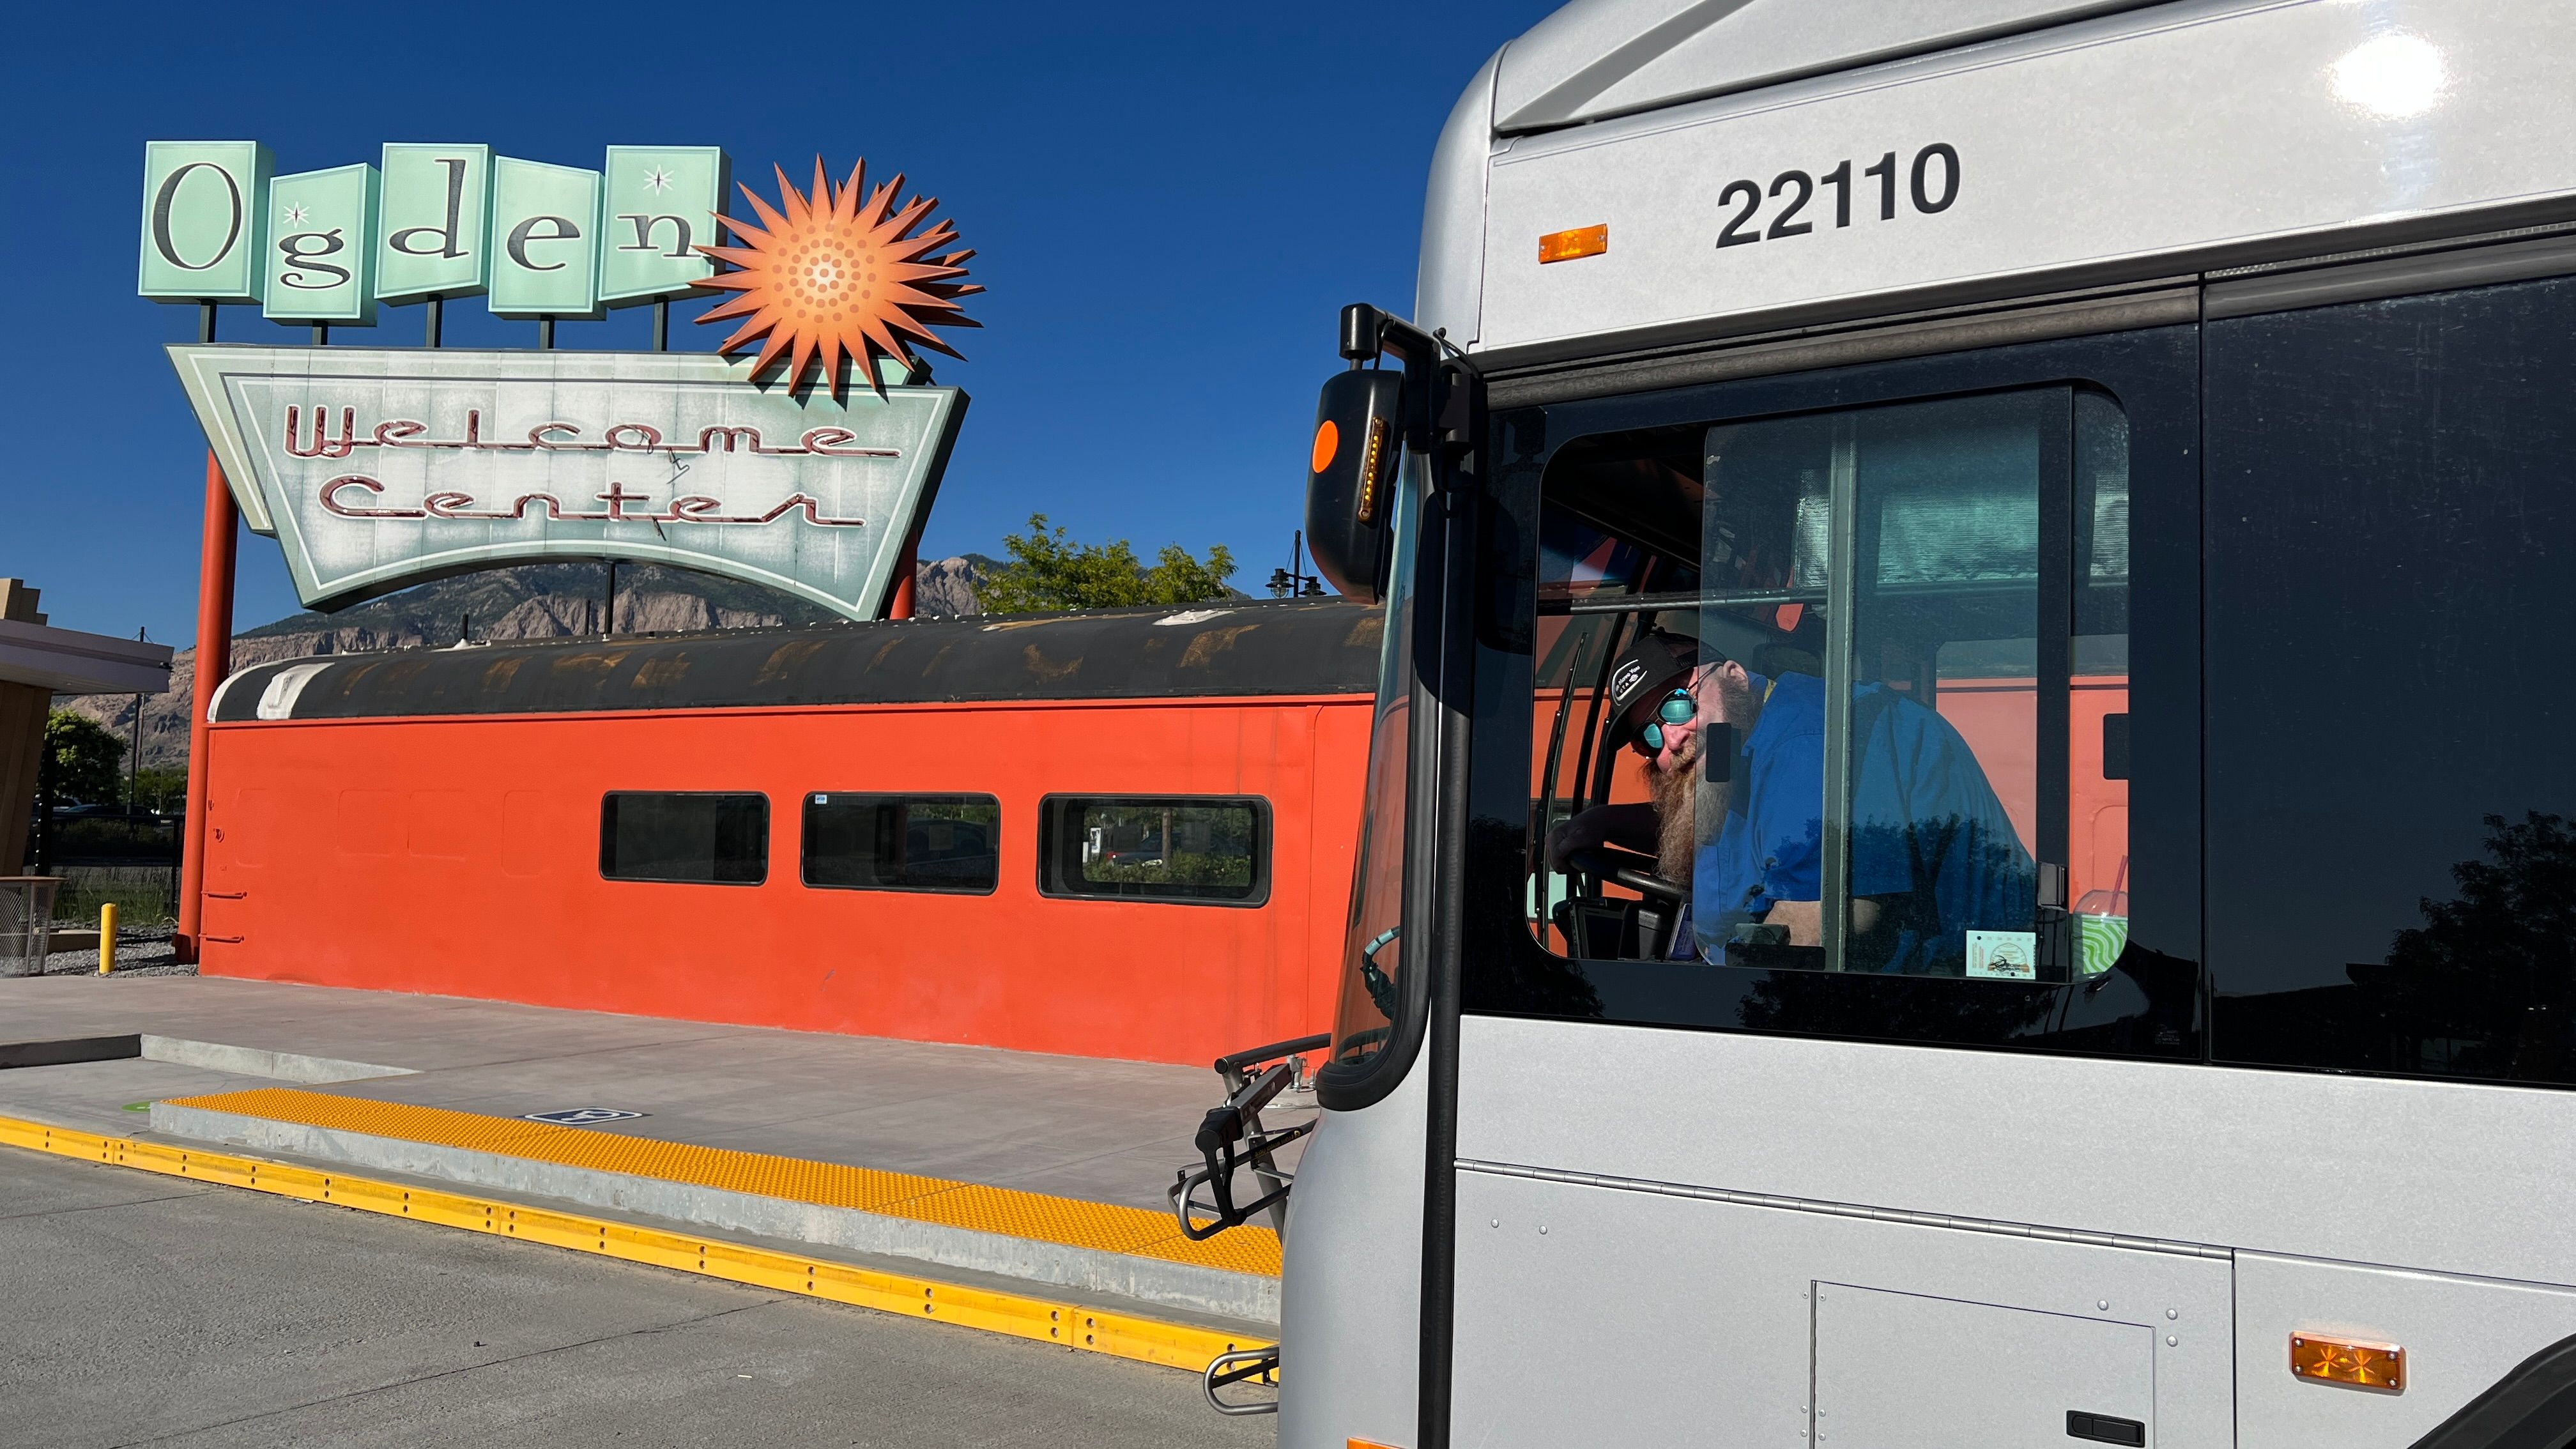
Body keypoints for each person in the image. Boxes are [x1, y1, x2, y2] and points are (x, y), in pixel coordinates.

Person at [1548, 627, 2034, 973]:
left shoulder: (1805, 739)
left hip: (1946, 987)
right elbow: (1720, 824)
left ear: (1734, 675)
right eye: (1649, 738)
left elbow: (1827, 919)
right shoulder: (1739, 739)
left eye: (1678, 705)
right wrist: (1605, 822)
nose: (1671, 739)